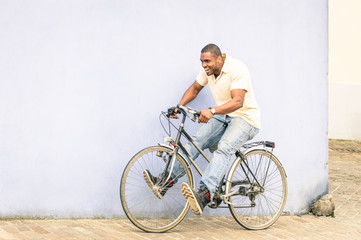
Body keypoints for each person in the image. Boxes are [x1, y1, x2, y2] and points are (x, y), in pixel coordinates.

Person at [144, 43, 260, 215]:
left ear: (219, 59)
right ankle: (165, 182)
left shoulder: (236, 68)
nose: (204, 65)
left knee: (224, 148)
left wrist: (212, 111)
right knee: (196, 141)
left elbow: (238, 102)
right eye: (201, 61)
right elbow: (195, 88)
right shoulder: (208, 71)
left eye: (207, 61)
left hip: (245, 118)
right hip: (224, 115)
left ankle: (205, 194)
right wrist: (179, 106)